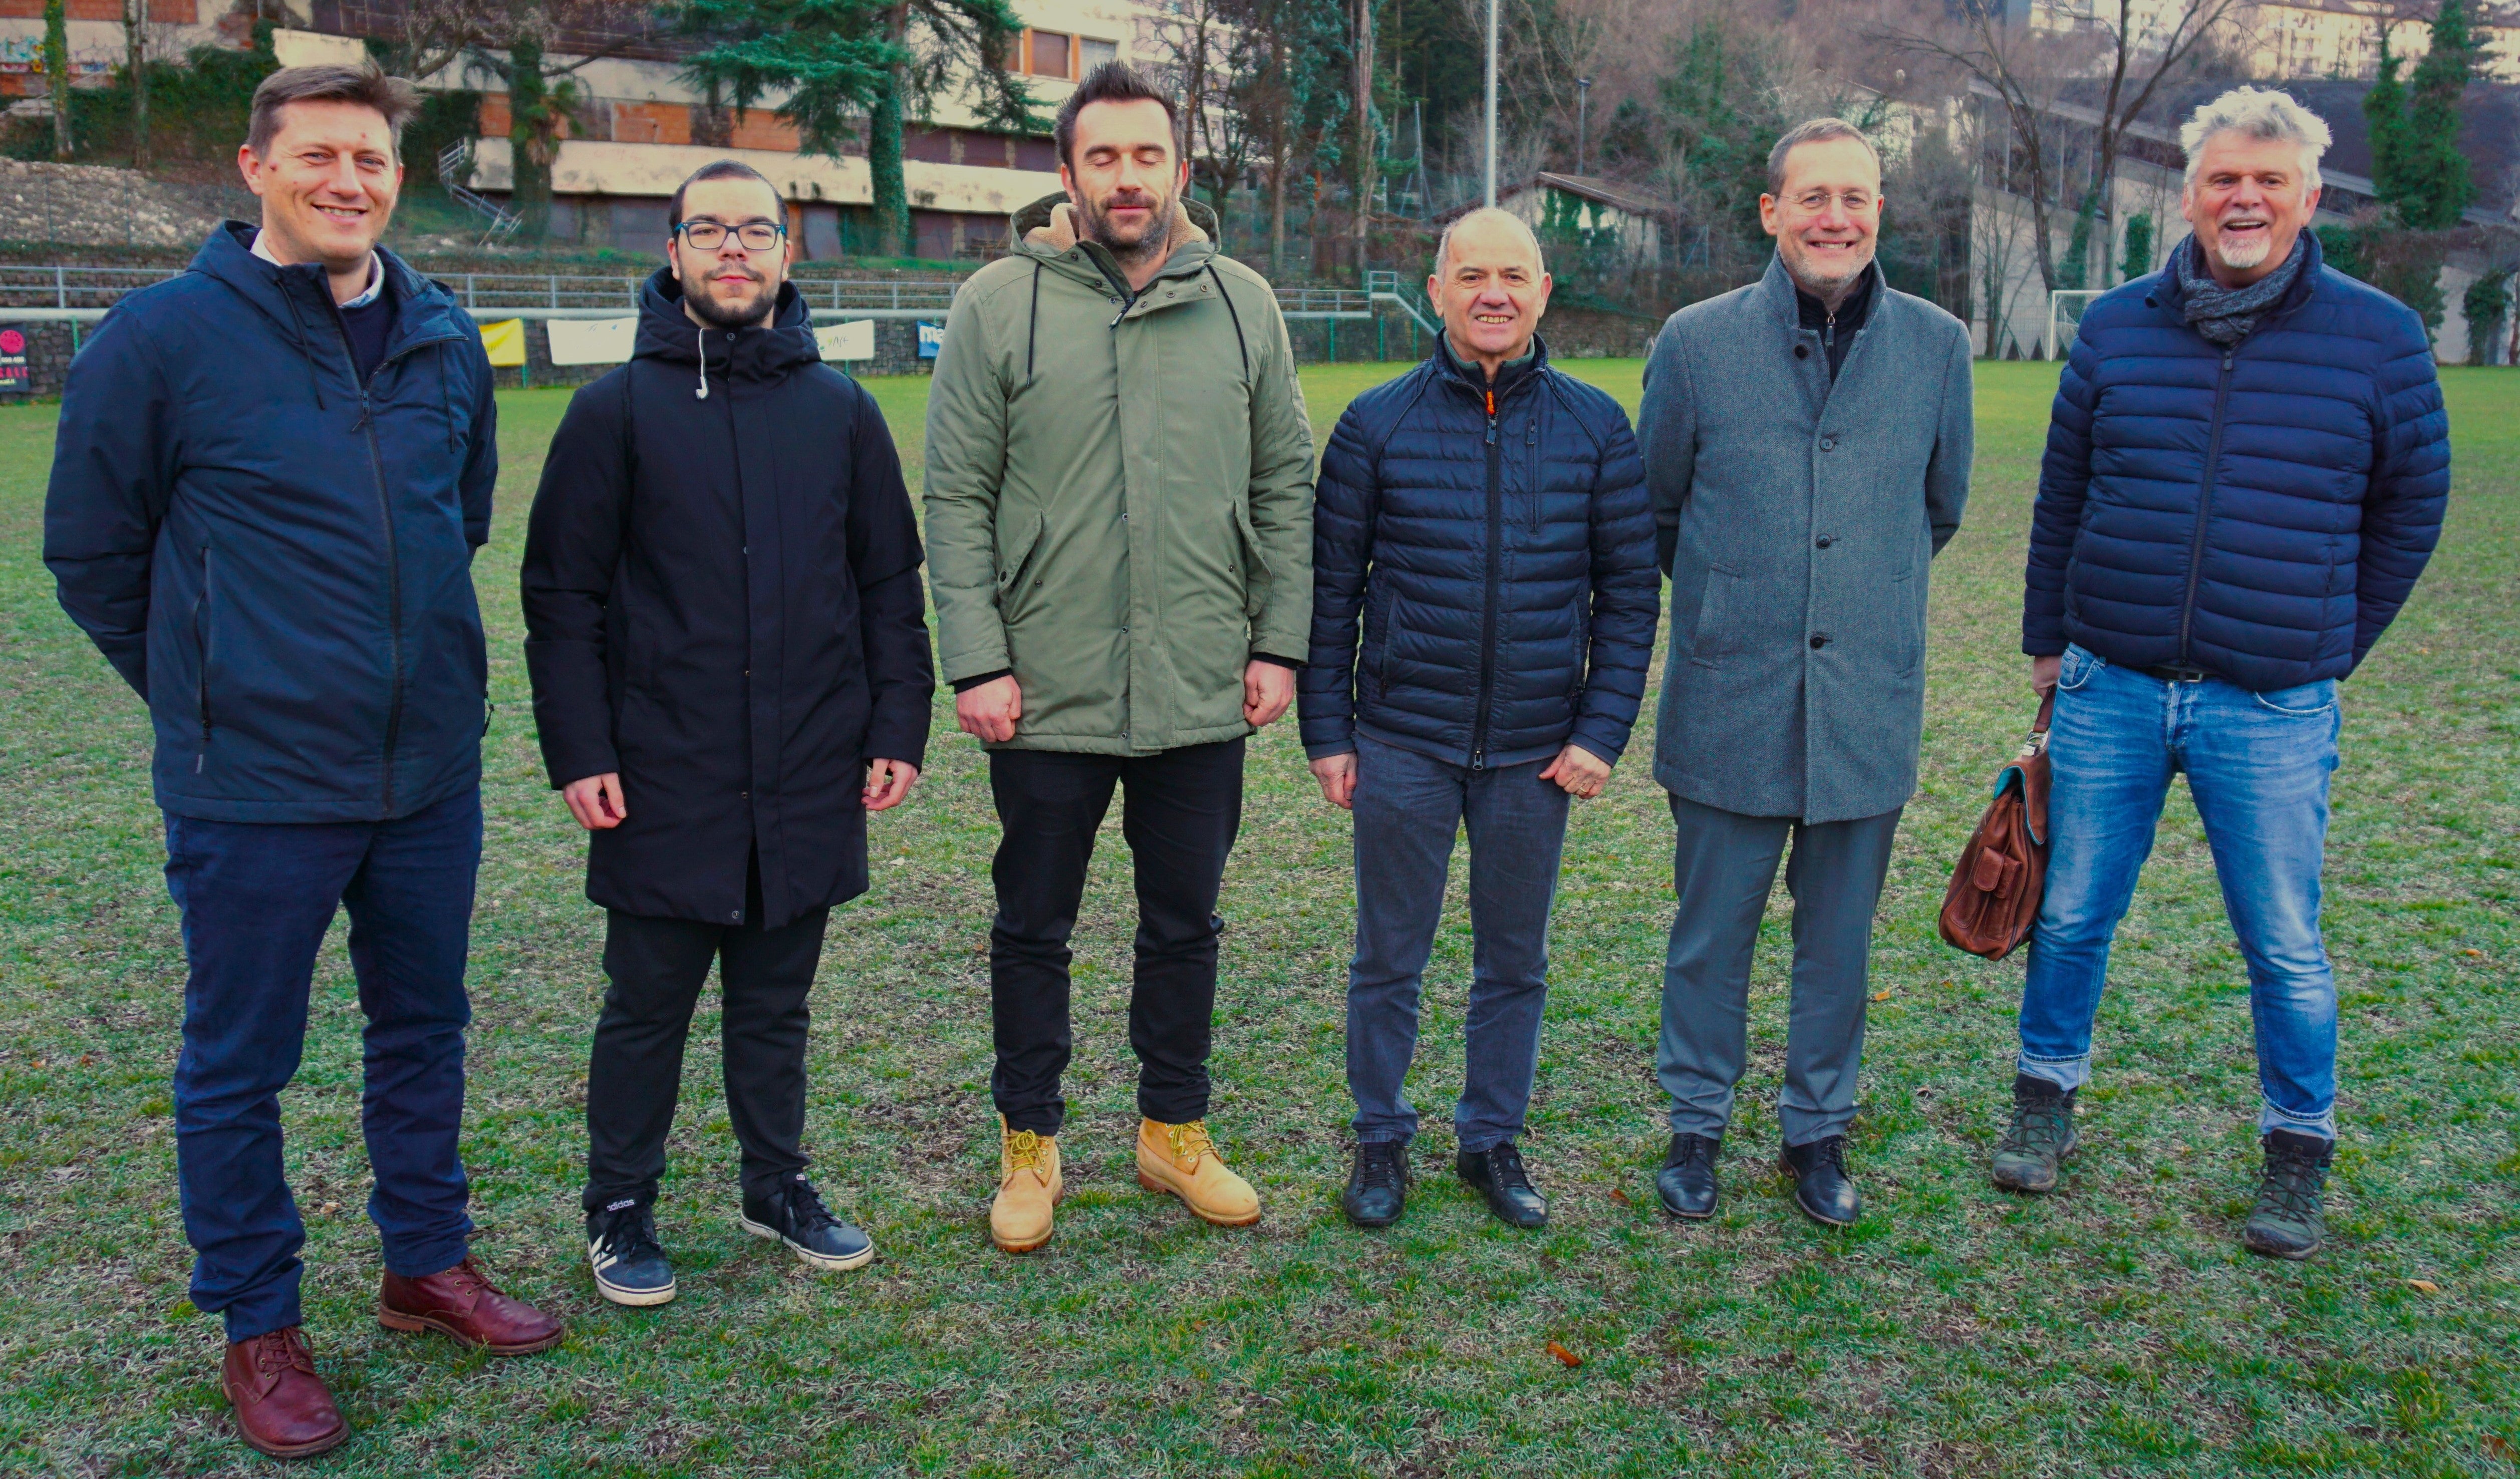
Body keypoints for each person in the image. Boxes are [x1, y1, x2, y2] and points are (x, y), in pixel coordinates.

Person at [42, 62, 559, 1459]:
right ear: (258, 170)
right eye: (321, 153)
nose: (350, 179)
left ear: (398, 175)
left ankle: (423, 1265)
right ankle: (258, 1323)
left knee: (425, 1029)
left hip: (426, 775)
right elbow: (92, 554)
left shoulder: (445, 334)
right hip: (254, 787)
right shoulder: (159, 339)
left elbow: (456, 522)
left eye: (374, 158)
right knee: (238, 1061)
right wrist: (210, 690)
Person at [1998, 88, 2447, 1260]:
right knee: (2076, 911)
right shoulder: (2114, 326)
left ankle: (2296, 1146)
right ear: (2186, 193)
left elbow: (2413, 504)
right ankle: (2042, 1097)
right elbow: (2060, 492)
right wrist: (2050, 639)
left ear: (2307, 197)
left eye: (2267, 181)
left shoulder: (2378, 335)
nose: (2241, 199)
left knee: (2281, 939)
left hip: (2271, 701)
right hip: (2113, 683)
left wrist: (2331, 640)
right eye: (2219, 180)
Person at [520, 161, 934, 1304]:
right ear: (674, 252)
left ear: (787, 255)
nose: (735, 249)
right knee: (646, 1004)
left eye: (758, 230)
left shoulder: (841, 412)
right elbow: (562, 598)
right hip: (663, 771)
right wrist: (583, 749)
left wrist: (899, 721)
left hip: (806, 764)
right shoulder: (614, 410)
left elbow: (887, 583)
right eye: (710, 230)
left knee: (775, 1003)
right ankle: (619, 1206)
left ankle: (775, 1182)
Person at [923, 62, 1314, 1255]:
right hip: (1044, 690)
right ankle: (1028, 1144)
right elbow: (955, 496)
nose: (1127, 178)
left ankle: (1170, 1131)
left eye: (1148, 156)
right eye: (1104, 157)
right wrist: (978, 660)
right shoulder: (997, 301)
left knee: (1184, 923)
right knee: (1031, 926)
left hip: (1202, 682)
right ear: (1068, 172)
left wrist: (1278, 640)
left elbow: (1282, 482)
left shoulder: (1243, 301)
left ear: (1179, 171)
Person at [1636, 118, 1974, 1229]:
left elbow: (1937, 507)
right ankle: (1693, 1127)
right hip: (1728, 698)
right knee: (1709, 935)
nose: (1836, 217)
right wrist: (1750, 601)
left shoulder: (1936, 346)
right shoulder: (1692, 342)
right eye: (1813, 197)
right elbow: (1659, 509)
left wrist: (1845, 607)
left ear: (1878, 211)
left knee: (1836, 946)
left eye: (1857, 198)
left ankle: (1815, 1132)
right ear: (1771, 211)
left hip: (1862, 707)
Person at [1300, 208, 1657, 1230]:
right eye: (1471, 274)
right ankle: (1379, 1139)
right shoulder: (1375, 424)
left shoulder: (1596, 426)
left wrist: (1599, 732)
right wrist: (1328, 732)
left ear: (1543, 291)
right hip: (1402, 739)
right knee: (1387, 957)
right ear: (1437, 289)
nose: (1491, 292)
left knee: (1513, 958)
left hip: (1535, 752)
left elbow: (1628, 595)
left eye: (1512, 274)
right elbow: (1334, 594)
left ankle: (1489, 1140)